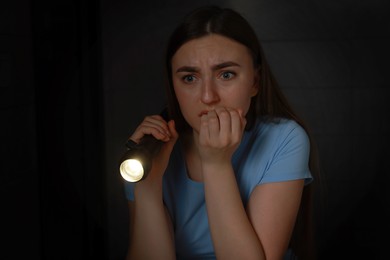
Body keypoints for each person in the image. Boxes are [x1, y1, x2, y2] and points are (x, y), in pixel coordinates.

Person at [124, 5, 319, 260]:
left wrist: (216, 163)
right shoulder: (147, 149)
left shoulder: (284, 139)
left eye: (226, 74)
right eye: (189, 78)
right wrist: (147, 189)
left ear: (254, 82)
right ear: (173, 84)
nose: (208, 97)